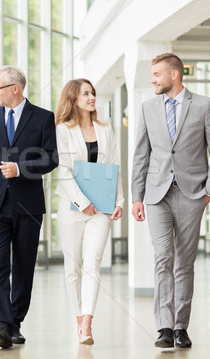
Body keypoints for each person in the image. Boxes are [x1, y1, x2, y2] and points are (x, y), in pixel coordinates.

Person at [131, 53, 210, 349]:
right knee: (163, 257)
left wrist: (209, 191)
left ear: (175, 75)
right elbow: (140, 156)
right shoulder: (147, 108)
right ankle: (163, 327)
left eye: (157, 74)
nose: (153, 79)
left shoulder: (203, 106)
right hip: (156, 195)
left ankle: (181, 326)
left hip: (192, 194)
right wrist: (137, 196)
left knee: (184, 262)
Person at [0, 65, 58, 348]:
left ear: (15, 89)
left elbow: (51, 159)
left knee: (23, 267)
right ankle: (2, 325)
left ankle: (14, 322)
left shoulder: (42, 118)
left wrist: (20, 168)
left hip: (27, 206)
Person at [54, 78, 124, 345]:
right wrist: (82, 202)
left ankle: (87, 322)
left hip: (101, 209)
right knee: (73, 267)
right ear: (73, 98)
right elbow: (62, 170)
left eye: (93, 93)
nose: (92, 97)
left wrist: (119, 201)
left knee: (93, 262)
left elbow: (115, 167)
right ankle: (77, 317)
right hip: (72, 207)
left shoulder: (106, 129)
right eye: (86, 93)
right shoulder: (62, 130)